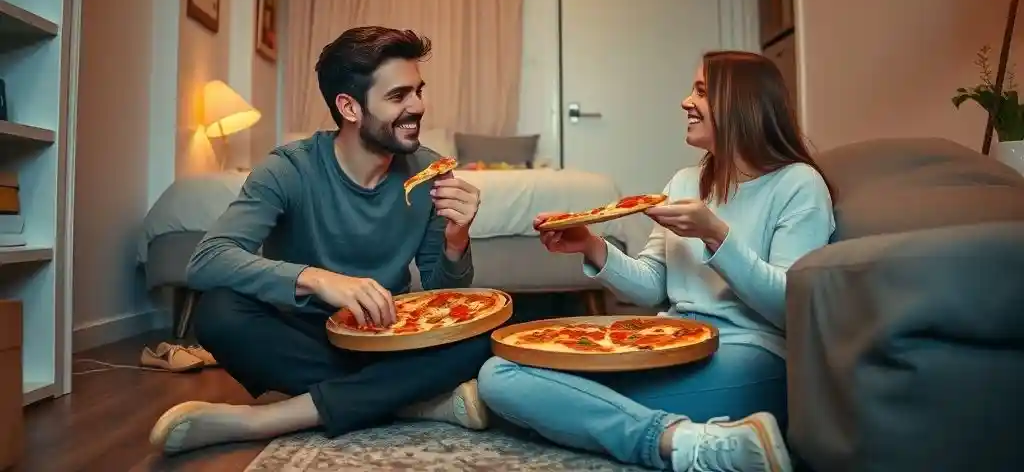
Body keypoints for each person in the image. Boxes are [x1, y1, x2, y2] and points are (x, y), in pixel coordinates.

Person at [477, 51, 835, 472]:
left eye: (700, 91)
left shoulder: (798, 186)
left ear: (741, 104)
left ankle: (650, 437)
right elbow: (651, 286)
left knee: (549, 397)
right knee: (499, 374)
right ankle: (685, 441)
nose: (685, 101)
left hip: (752, 356)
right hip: (668, 345)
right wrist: (592, 246)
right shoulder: (685, 182)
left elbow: (790, 309)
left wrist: (716, 234)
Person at [149, 26, 490, 454]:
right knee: (218, 312)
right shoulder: (288, 168)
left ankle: (273, 417)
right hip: (304, 337)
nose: (418, 106)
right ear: (349, 106)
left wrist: (456, 240)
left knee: (489, 334)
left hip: (386, 337)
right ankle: (413, 403)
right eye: (399, 96)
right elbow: (207, 260)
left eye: (419, 91)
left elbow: (445, 301)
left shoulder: (432, 173)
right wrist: (317, 279)